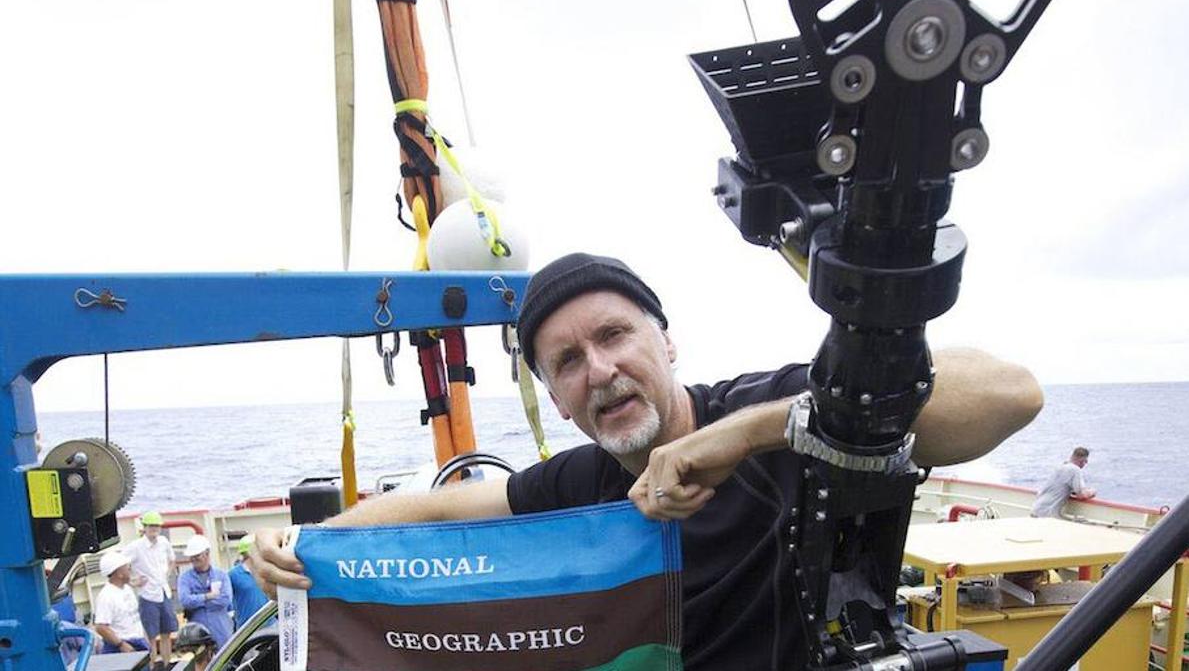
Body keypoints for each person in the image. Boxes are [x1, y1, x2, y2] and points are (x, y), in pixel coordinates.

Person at [253, 253, 1044, 669]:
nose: (597, 370)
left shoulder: (771, 408)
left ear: (664, 341)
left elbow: (1007, 394)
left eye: (612, 336)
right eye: (565, 362)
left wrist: (743, 436)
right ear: (558, 403)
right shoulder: (583, 483)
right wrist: (308, 548)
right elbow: (437, 507)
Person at [124, 510, 178, 671]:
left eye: (156, 526)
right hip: (147, 595)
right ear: (144, 528)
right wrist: (133, 581)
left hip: (163, 592)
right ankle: (153, 665)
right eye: (151, 526)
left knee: (167, 631)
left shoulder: (164, 542)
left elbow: (172, 560)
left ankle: (167, 664)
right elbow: (121, 563)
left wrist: (167, 574)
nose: (154, 529)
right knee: (151, 635)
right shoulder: (136, 547)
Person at [177, 536, 234, 650]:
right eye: (191, 557)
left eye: (197, 556)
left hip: (222, 630)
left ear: (207, 553)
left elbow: (225, 600)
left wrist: (197, 600)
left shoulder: (221, 575)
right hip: (197, 634)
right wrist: (207, 596)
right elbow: (185, 600)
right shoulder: (184, 578)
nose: (193, 559)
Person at [94, 550, 152, 655]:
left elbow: (135, 618)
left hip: (138, 642)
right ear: (119, 573)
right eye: (126, 567)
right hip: (121, 647)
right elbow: (101, 627)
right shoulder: (107, 596)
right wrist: (121, 645)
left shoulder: (127, 589)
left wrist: (145, 639)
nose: (130, 569)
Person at [1031, 446, 1096, 518]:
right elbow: (1081, 495)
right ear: (1082, 460)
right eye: (1085, 461)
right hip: (1046, 514)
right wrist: (1092, 492)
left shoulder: (1061, 466)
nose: (1085, 464)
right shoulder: (1075, 470)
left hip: (1037, 508)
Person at [228, 536, 270, 628]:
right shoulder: (234, 575)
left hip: (270, 625)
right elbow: (227, 601)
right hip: (247, 629)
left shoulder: (266, 570)